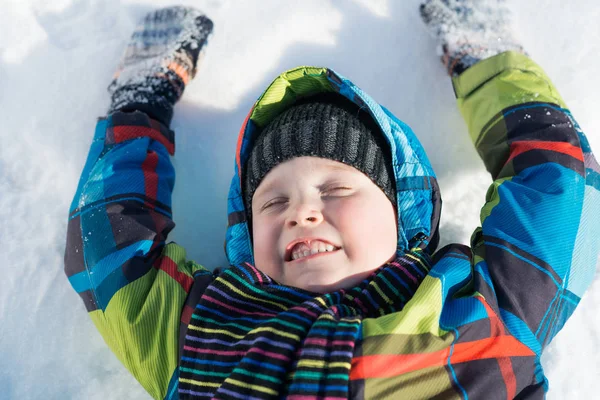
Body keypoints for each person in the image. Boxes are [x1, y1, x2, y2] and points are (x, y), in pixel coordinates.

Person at [64, 1, 599, 399]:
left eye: (337, 188)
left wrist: (484, 59)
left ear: (402, 214)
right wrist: (142, 102)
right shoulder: (202, 327)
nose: (301, 211)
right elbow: (110, 249)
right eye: (272, 202)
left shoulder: (485, 311)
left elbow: (562, 184)